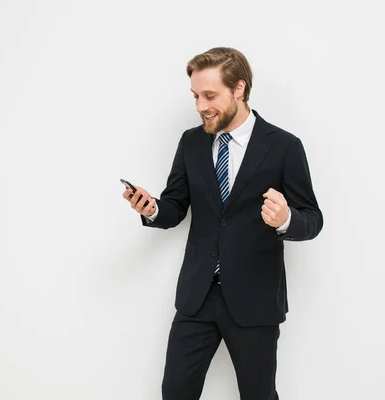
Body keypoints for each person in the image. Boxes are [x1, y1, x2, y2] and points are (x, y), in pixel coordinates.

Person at [122, 47, 323, 400]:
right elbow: (174, 207)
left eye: (209, 95)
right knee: (175, 392)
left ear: (239, 89)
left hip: (254, 299)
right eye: (195, 96)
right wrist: (151, 207)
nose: (200, 106)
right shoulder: (192, 142)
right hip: (197, 297)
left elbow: (313, 219)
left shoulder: (284, 147)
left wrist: (286, 219)